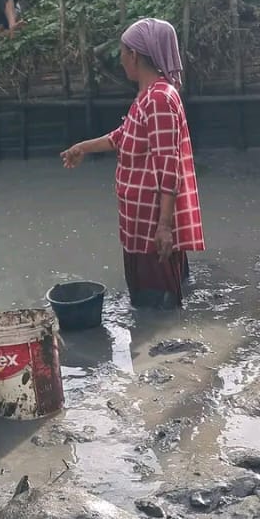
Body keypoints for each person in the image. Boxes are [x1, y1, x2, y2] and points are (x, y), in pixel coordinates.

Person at [60, 18, 204, 309]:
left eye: (123, 52)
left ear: (135, 55)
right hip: (139, 223)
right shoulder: (147, 96)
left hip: (151, 225)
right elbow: (121, 136)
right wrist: (82, 148)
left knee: (158, 309)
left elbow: (168, 166)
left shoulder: (160, 99)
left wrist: (164, 226)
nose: (121, 59)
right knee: (149, 302)